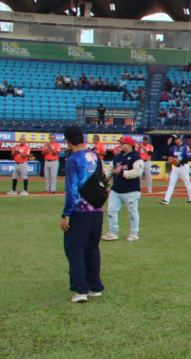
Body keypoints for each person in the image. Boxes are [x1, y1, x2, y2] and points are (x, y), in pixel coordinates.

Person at [60, 125, 106, 303]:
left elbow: (71, 190)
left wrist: (66, 214)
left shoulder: (73, 160)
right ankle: (95, 286)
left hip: (81, 210)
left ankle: (80, 289)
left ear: (68, 140)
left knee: (74, 248)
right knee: (92, 248)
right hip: (97, 209)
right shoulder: (94, 156)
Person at [102, 136, 144, 242]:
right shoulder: (117, 157)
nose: (120, 145)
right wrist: (105, 180)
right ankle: (113, 232)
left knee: (132, 212)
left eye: (122, 143)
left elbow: (137, 172)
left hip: (131, 190)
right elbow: (111, 169)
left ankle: (134, 233)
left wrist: (122, 173)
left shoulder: (136, 157)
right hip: (116, 189)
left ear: (129, 145)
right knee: (111, 210)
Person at [159, 135, 191, 205]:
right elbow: (166, 152)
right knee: (171, 183)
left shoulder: (186, 147)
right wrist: (168, 144)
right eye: (174, 139)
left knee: (187, 183)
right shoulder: (174, 147)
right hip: (176, 168)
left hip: (183, 167)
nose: (175, 140)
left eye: (176, 139)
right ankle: (166, 200)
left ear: (180, 139)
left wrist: (180, 161)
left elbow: (189, 158)